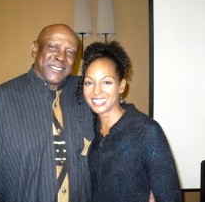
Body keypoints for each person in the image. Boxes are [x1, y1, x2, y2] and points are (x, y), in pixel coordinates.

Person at [0, 24, 94, 202]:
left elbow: (121, 127)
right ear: (35, 48)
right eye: (53, 47)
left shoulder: (88, 94)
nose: (61, 57)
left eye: (70, 52)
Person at [77, 41, 182, 202]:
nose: (96, 91)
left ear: (121, 86)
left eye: (107, 82)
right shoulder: (89, 128)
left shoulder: (146, 132)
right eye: (89, 82)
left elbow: (170, 197)